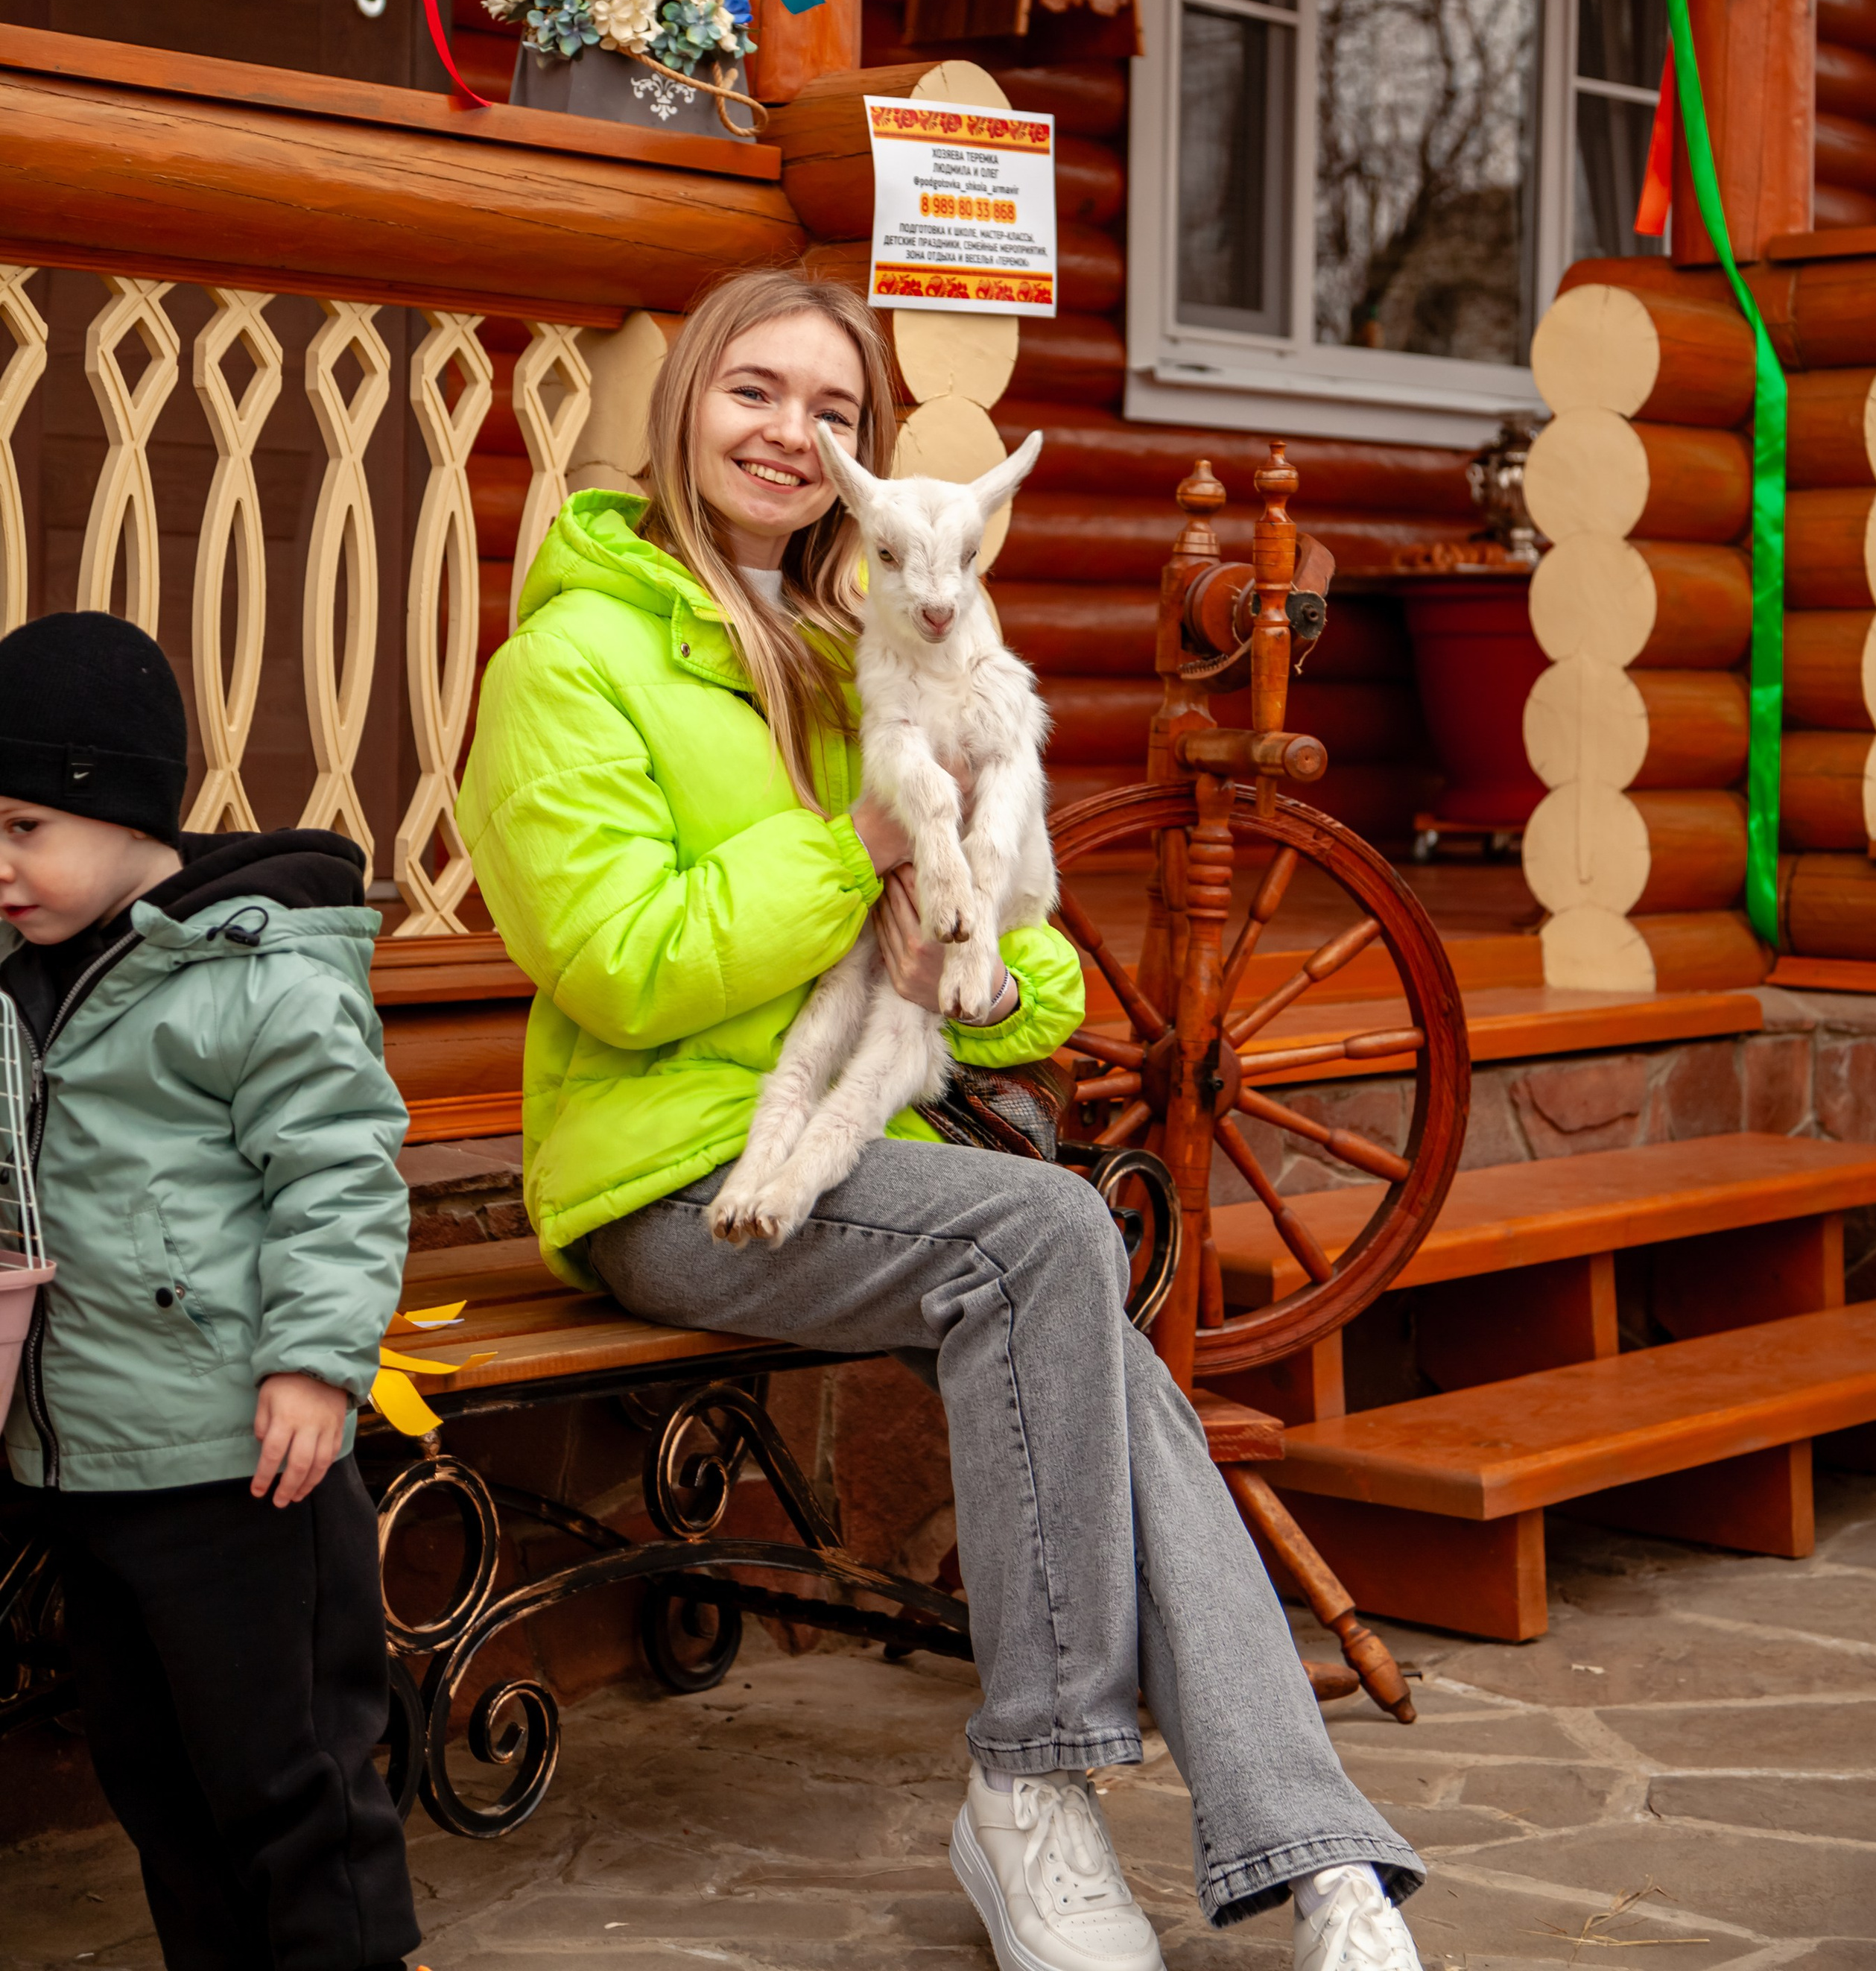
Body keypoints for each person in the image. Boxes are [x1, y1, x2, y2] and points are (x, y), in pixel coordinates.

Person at [458, 265, 1427, 1971]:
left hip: (878, 1162)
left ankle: (1317, 1853)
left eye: (831, 407)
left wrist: (973, 975)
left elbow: (1029, 967)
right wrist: (861, 851)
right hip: (672, 1174)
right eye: (754, 391)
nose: (790, 432)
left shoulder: (883, 641)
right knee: (1045, 1237)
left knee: (1096, 1350)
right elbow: (620, 965)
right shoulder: (568, 663)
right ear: (682, 405)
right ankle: (1031, 1789)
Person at [0, 610, 419, 1971]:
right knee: (159, 1786)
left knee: (287, 1781)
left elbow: (340, 1175)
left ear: (126, 812)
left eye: (23, 828)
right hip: (89, 1462)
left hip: (245, 1466)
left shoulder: (255, 974)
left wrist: (314, 1363)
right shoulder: (17, 985)